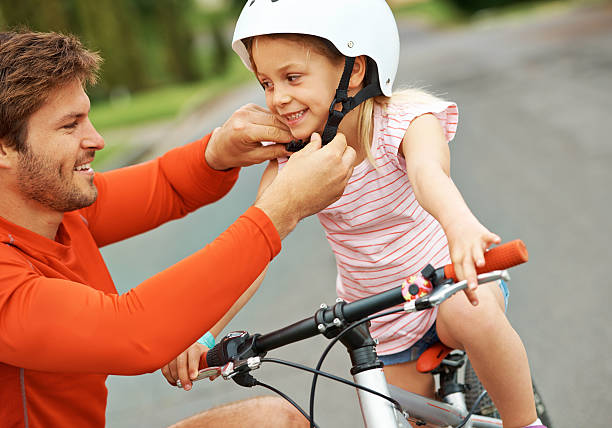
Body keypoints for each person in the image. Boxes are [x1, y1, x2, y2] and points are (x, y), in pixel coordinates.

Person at [178, 1, 546, 427]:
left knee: (473, 308)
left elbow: (430, 177)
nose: (277, 98)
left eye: (292, 77)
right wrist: (203, 332)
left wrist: (459, 226)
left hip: (448, 284)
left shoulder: (404, 122)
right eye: (265, 83)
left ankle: (526, 422)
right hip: (379, 321)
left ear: (354, 71)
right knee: (387, 412)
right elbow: (257, 247)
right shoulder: (292, 162)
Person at [0, 30, 356, 427]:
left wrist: (220, 151)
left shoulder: (55, 207)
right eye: (70, 126)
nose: (96, 139)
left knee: (275, 423)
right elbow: (131, 331)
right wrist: (281, 210)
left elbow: (166, 185)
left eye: (88, 117)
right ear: (4, 148)